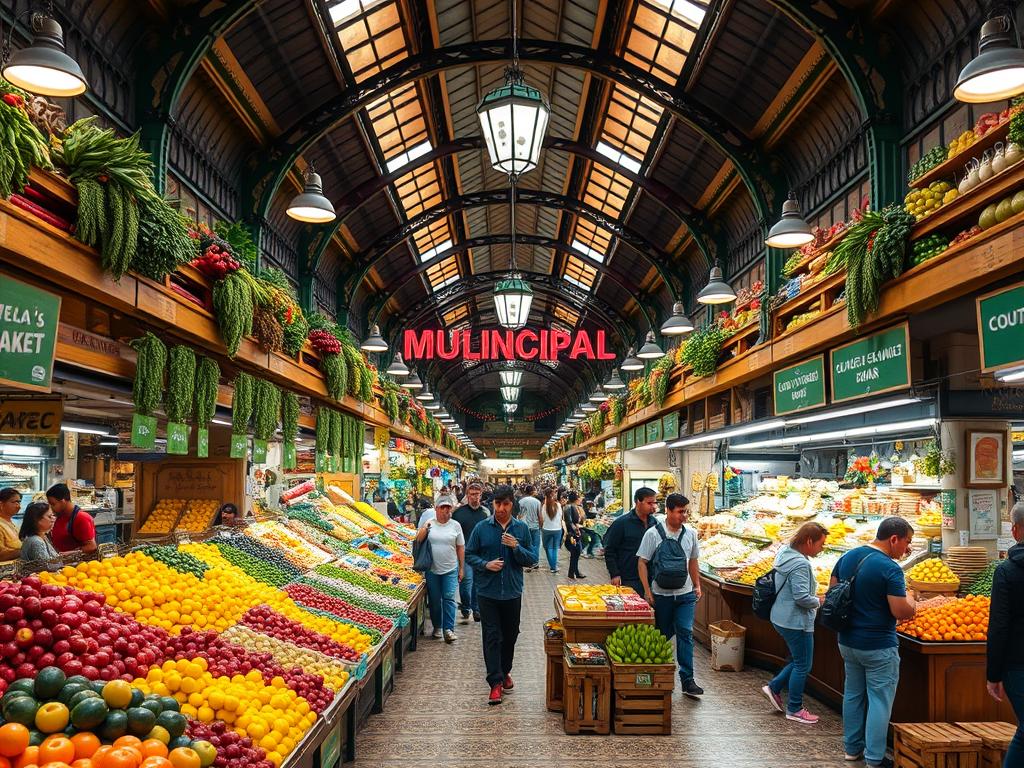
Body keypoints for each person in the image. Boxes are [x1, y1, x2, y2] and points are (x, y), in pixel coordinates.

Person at [829, 517, 916, 768]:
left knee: (853, 695)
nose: (907, 548)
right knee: (879, 699)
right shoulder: (890, 568)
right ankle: (875, 758)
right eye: (907, 542)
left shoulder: (848, 557)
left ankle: (851, 749)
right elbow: (899, 611)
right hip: (878, 644)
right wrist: (912, 603)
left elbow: (833, 589)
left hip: (847, 641)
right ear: (894, 539)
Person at [464, 484, 537, 705]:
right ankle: (495, 682)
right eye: (498, 503)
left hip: (513, 592)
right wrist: (486, 564)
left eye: (505, 504)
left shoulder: (521, 529)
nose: (501, 508)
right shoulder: (482, 528)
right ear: (493, 504)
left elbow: (532, 558)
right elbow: (469, 554)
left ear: (512, 504)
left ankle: (505, 671)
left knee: (511, 634)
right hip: (487, 592)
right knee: (492, 636)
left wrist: (516, 547)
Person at [636, 493, 702, 698]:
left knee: (685, 631)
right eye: (680, 512)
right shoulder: (653, 534)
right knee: (661, 635)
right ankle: (655, 676)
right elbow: (642, 562)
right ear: (668, 510)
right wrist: (647, 591)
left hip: (685, 595)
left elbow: (693, 562)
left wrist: (697, 585)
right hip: (661, 595)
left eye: (686, 511)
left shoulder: (691, 533)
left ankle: (687, 679)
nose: (684, 516)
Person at [762, 522, 828, 724]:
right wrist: (820, 600)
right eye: (821, 544)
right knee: (803, 665)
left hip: (781, 616)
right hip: (795, 620)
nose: (822, 548)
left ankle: (774, 687)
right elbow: (801, 598)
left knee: (797, 660)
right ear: (809, 541)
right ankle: (795, 708)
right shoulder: (800, 564)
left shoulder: (785, 553)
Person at [987, 501, 1024, 767]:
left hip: (1017, 662)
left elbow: (999, 625)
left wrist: (993, 674)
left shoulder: (1006, 571)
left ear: (1015, 530)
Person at [416, 495, 464, 643]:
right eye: (442, 508)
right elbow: (418, 540)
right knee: (435, 600)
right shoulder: (430, 523)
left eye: (448, 508)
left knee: (449, 598)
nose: (445, 511)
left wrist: (462, 568)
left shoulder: (456, 525)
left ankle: (449, 629)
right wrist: (425, 528)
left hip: (450, 568)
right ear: (436, 509)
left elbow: (460, 547)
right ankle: (438, 626)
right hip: (432, 570)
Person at [604, 487, 658, 595]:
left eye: (655, 503)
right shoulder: (621, 523)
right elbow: (609, 550)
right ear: (638, 501)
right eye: (650, 503)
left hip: (652, 578)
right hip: (629, 578)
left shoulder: (655, 523)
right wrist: (614, 574)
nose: (654, 506)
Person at [453, 482, 489, 623]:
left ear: (481, 495)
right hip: (465, 554)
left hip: (481, 554)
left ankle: (476, 609)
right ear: (467, 496)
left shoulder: (486, 513)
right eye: (472, 494)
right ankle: (466, 606)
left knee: (478, 583)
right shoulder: (459, 513)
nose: (475, 497)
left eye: (477, 494)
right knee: (466, 582)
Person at [45, 483, 97, 554]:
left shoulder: (82, 518)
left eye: (53, 504)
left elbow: (92, 547)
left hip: (78, 563)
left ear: (62, 501)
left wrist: (70, 553)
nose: (51, 508)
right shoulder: (60, 515)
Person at [517, 485, 542, 572]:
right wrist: (540, 526)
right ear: (532, 491)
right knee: (536, 545)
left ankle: (527, 561)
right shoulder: (537, 502)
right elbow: (540, 516)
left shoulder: (521, 501)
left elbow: (518, 514)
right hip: (535, 526)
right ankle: (535, 562)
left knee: (526, 545)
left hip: (524, 526)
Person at [540, 488, 563, 573]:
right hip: (557, 529)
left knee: (548, 548)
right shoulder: (558, 505)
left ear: (545, 496)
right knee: (555, 548)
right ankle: (554, 567)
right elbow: (561, 517)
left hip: (546, 529)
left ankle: (552, 566)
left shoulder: (544, 506)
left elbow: (542, 519)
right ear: (553, 495)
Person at [563, 491, 585, 580]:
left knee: (576, 553)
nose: (580, 499)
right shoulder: (569, 507)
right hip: (572, 534)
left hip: (576, 532)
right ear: (576, 499)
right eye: (579, 497)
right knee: (575, 553)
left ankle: (575, 571)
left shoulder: (575, 507)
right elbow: (569, 522)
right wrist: (576, 530)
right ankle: (571, 573)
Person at [0, 488, 24, 562]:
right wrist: (25, 550)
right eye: (15, 502)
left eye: (19, 502)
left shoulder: (11, 522)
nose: (19, 507)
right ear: (1, 504)